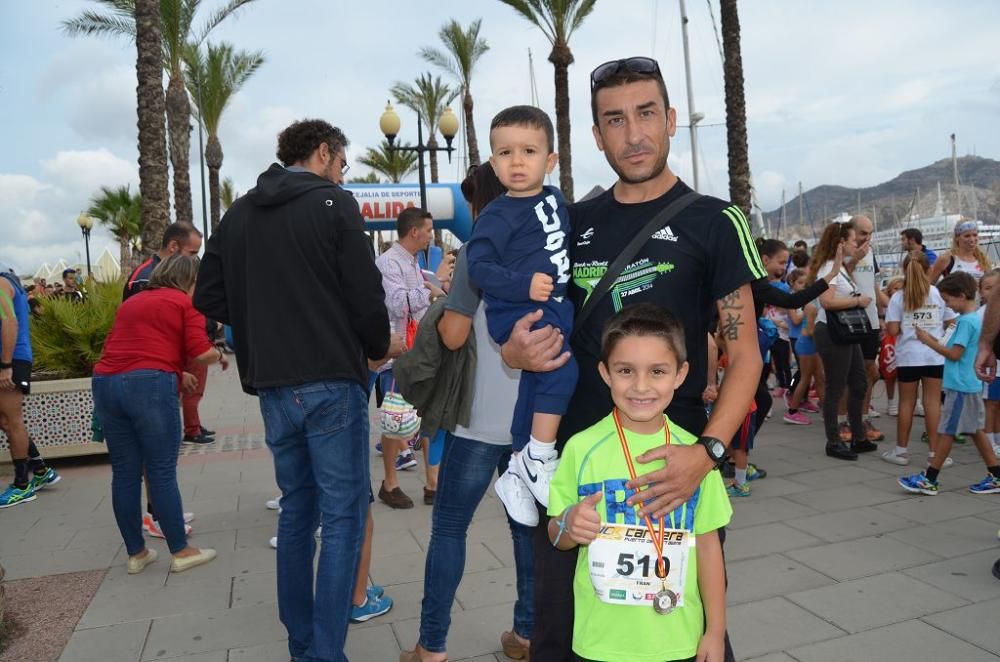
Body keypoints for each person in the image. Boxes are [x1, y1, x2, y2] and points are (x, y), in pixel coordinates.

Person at [503, 56, 762, 662]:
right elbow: (536, 324)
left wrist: (708, 455)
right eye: (614, 120)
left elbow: (744, 355)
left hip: (675, 470)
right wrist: (515, 349)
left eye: (647, 113)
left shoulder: (715, 221)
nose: (634, 133)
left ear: (670, 119)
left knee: (686, 631)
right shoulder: (571, 224)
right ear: (596, 136)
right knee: (564, 636)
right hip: (579, 469)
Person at [193, 118, 405, 662]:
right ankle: (325, 653)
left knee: (297, 511)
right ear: (322, 151)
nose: (341, 172)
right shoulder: (333, 205)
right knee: (342, 517)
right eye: (341, 162)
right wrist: (374, 343)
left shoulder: (238, 213)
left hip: (272, 384)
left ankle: (303, 645)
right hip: (331, 378)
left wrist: (263, 319)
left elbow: (208, 296)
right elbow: (364, 295)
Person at [400, 163, 536, 662]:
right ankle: (527, 634)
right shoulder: (544, 254)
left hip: (478, 421)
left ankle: (431, 647)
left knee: (450, 528)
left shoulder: (479, 255)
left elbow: (454, 335)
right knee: (525, 529)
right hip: (532, 425)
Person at [547, 303, 730, 662]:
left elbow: (709, 549)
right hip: (600, 642)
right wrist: (569, 524)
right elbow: (557, 535)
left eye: (658, 371)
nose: (641, 386)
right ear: (605, 373)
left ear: (680, 375)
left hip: (676, 639)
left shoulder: (694, 458)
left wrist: (715, 632)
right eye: (626, 370)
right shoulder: (581, 449)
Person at [466, 105, 577, 526]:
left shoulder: (553, 200)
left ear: (550, 160)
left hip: (549, 308)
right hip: (520, 313)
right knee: (562, 371)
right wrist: (523, 284)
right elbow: (478, 268)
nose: (517, 161)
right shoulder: (496, 214)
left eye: (528, 151)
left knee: (535, 386)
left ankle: (516, 469)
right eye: (505, 152)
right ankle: (538, 455)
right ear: (493, 162)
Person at [92, 254, 224, 573]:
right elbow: (201, 351)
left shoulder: (132, 303)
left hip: (106, 383)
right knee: (161, 470)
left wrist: (177, 374)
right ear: (190, 281)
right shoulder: (183, 302)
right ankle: (181, 550)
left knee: (124, 472)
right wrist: (220, 355)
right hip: (150, 386)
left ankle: (136, 553)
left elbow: (128, 351)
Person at [122, 222, 208, 539]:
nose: (194, 260)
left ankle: (158, 510)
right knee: (157, 454)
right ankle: (158, 515)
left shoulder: (153, 276)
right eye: (192, 253)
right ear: (173, 248)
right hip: (149, 377)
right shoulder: (148, 279)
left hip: (148, 374)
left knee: (155, 454)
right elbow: (149, 335)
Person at [374, 207, 452, 509]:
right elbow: (397, 304)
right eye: (429, 230)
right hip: (399, 355)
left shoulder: (412, 261)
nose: (432, 236)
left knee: (427, 414)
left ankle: (432, 483)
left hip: (422, 351)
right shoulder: (388, 263)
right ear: (414, 231)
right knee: (397, 418)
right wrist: (430, 289)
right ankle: (390, 482)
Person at [899, 271, 1000, 495]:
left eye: (948, 300)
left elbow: (954, 354)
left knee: (947, 432)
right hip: (969, 384)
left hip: (960, 386)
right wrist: (933, 340)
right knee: (975, 430)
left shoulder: (965, 322)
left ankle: (930, 478)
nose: (948, 305)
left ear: (961, 296)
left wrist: (927, 342)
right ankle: (996, 474)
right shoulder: (974, 319)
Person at [880, 252, 954, 466]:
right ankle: (934, 453)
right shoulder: (937, 294)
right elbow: (952, 321)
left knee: (906, 403)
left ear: (905, 271)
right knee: (932, 403)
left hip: (909, 356)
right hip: (934, 354)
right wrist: (940, 339)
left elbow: (893, 330)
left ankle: (901, 452)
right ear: (929, 269)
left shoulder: (898, 297)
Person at [811, 221, 877, 460]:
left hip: (845, 332)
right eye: (851, 240)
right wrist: (857, 301)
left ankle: (858, 436)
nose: (855, 243)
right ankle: (834, 441)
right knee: (835, 388)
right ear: (840, 243)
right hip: (832, 331)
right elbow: (826, 302)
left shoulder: (838, 267)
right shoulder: (828, 268)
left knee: (859, 382)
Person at [0, 263, 61, 508]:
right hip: (10, 358)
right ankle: (40, 469)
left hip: (11, 359)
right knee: (5, 420)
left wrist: (5, 365)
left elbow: (9, 323)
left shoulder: (2, 284)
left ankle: (22, 486)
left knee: (11, 420)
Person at [846, 215, 885, 443]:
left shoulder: (871, 252)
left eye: (870, 233)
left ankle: (863, 416)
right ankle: (846, 420)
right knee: (850, 373)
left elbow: (874, 286)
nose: (867, 238)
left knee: (870, 370)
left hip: (870, 320)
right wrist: (853, 259)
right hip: (850, 320)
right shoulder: (841, 252)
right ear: (851, 232)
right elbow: (838, 280)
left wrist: (880, 316)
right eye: (863, 233)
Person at [783, 269, 823, 424]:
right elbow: (796, 320)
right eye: (800, 283)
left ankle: (815, 404)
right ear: (792, 283)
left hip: (806, 340)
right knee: (802, 376)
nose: (804, 286)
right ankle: (792, 400)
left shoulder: (810, 302)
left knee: (815, 377)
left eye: (806, 283)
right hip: (800, 339)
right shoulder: (796, 300)